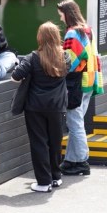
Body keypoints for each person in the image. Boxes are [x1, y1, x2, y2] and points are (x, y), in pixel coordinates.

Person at [11, 22, 71, 192]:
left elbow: (15, 77)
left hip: (35, 107)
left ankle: (43, 182)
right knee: (55, 142)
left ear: (40, 37)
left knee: (39, 143)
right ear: (56, 37)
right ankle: (56, 177)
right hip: (57, 107)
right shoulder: (65, 57)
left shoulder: (32, 57)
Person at [57, 0, 104, 176]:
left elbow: (69, 61)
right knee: (76, 122)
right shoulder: (87, 30)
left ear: (67, 14)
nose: (60, 18)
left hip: (76, 83)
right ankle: (71, 160)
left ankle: (82, 161)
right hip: (89, 80)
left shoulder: (72, 34)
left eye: (61, 14)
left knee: (75, 123)